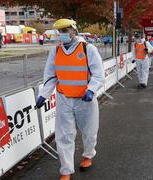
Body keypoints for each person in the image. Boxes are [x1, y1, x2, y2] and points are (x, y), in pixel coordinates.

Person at [35, 19, 105, 180]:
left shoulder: (88, 49)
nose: (63, 35)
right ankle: (66, 170)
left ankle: (88, 155)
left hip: (84, 99)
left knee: (89, 132)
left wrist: (91, 90)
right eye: (60, 31)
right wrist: (43, 95)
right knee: (64, 135)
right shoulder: (56, 51)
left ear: (74, 30)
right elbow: (51, 76)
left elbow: (99, 74)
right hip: (64, 98)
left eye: (65, 31)